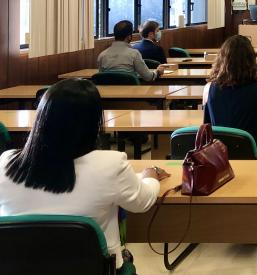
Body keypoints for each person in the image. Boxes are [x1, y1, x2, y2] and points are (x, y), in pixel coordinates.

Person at [0, 78, 167, 271]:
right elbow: (143, 202)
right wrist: (150, 175)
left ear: (41, 117)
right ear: (93, 123)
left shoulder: (6, 162)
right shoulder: (111, 165)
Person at [203, 35, 257, 157]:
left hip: (219, 155)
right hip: (251, 152)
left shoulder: (208, 88)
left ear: (222, 59)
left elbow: (207, 125)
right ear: (251, 59)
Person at [97, 20, 164, 81]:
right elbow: (148, 77)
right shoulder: (134, 54)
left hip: (106, 93)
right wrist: (157, 72)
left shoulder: (102, 55)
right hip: (130, 92)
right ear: (129, 36)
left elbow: (101, 77)